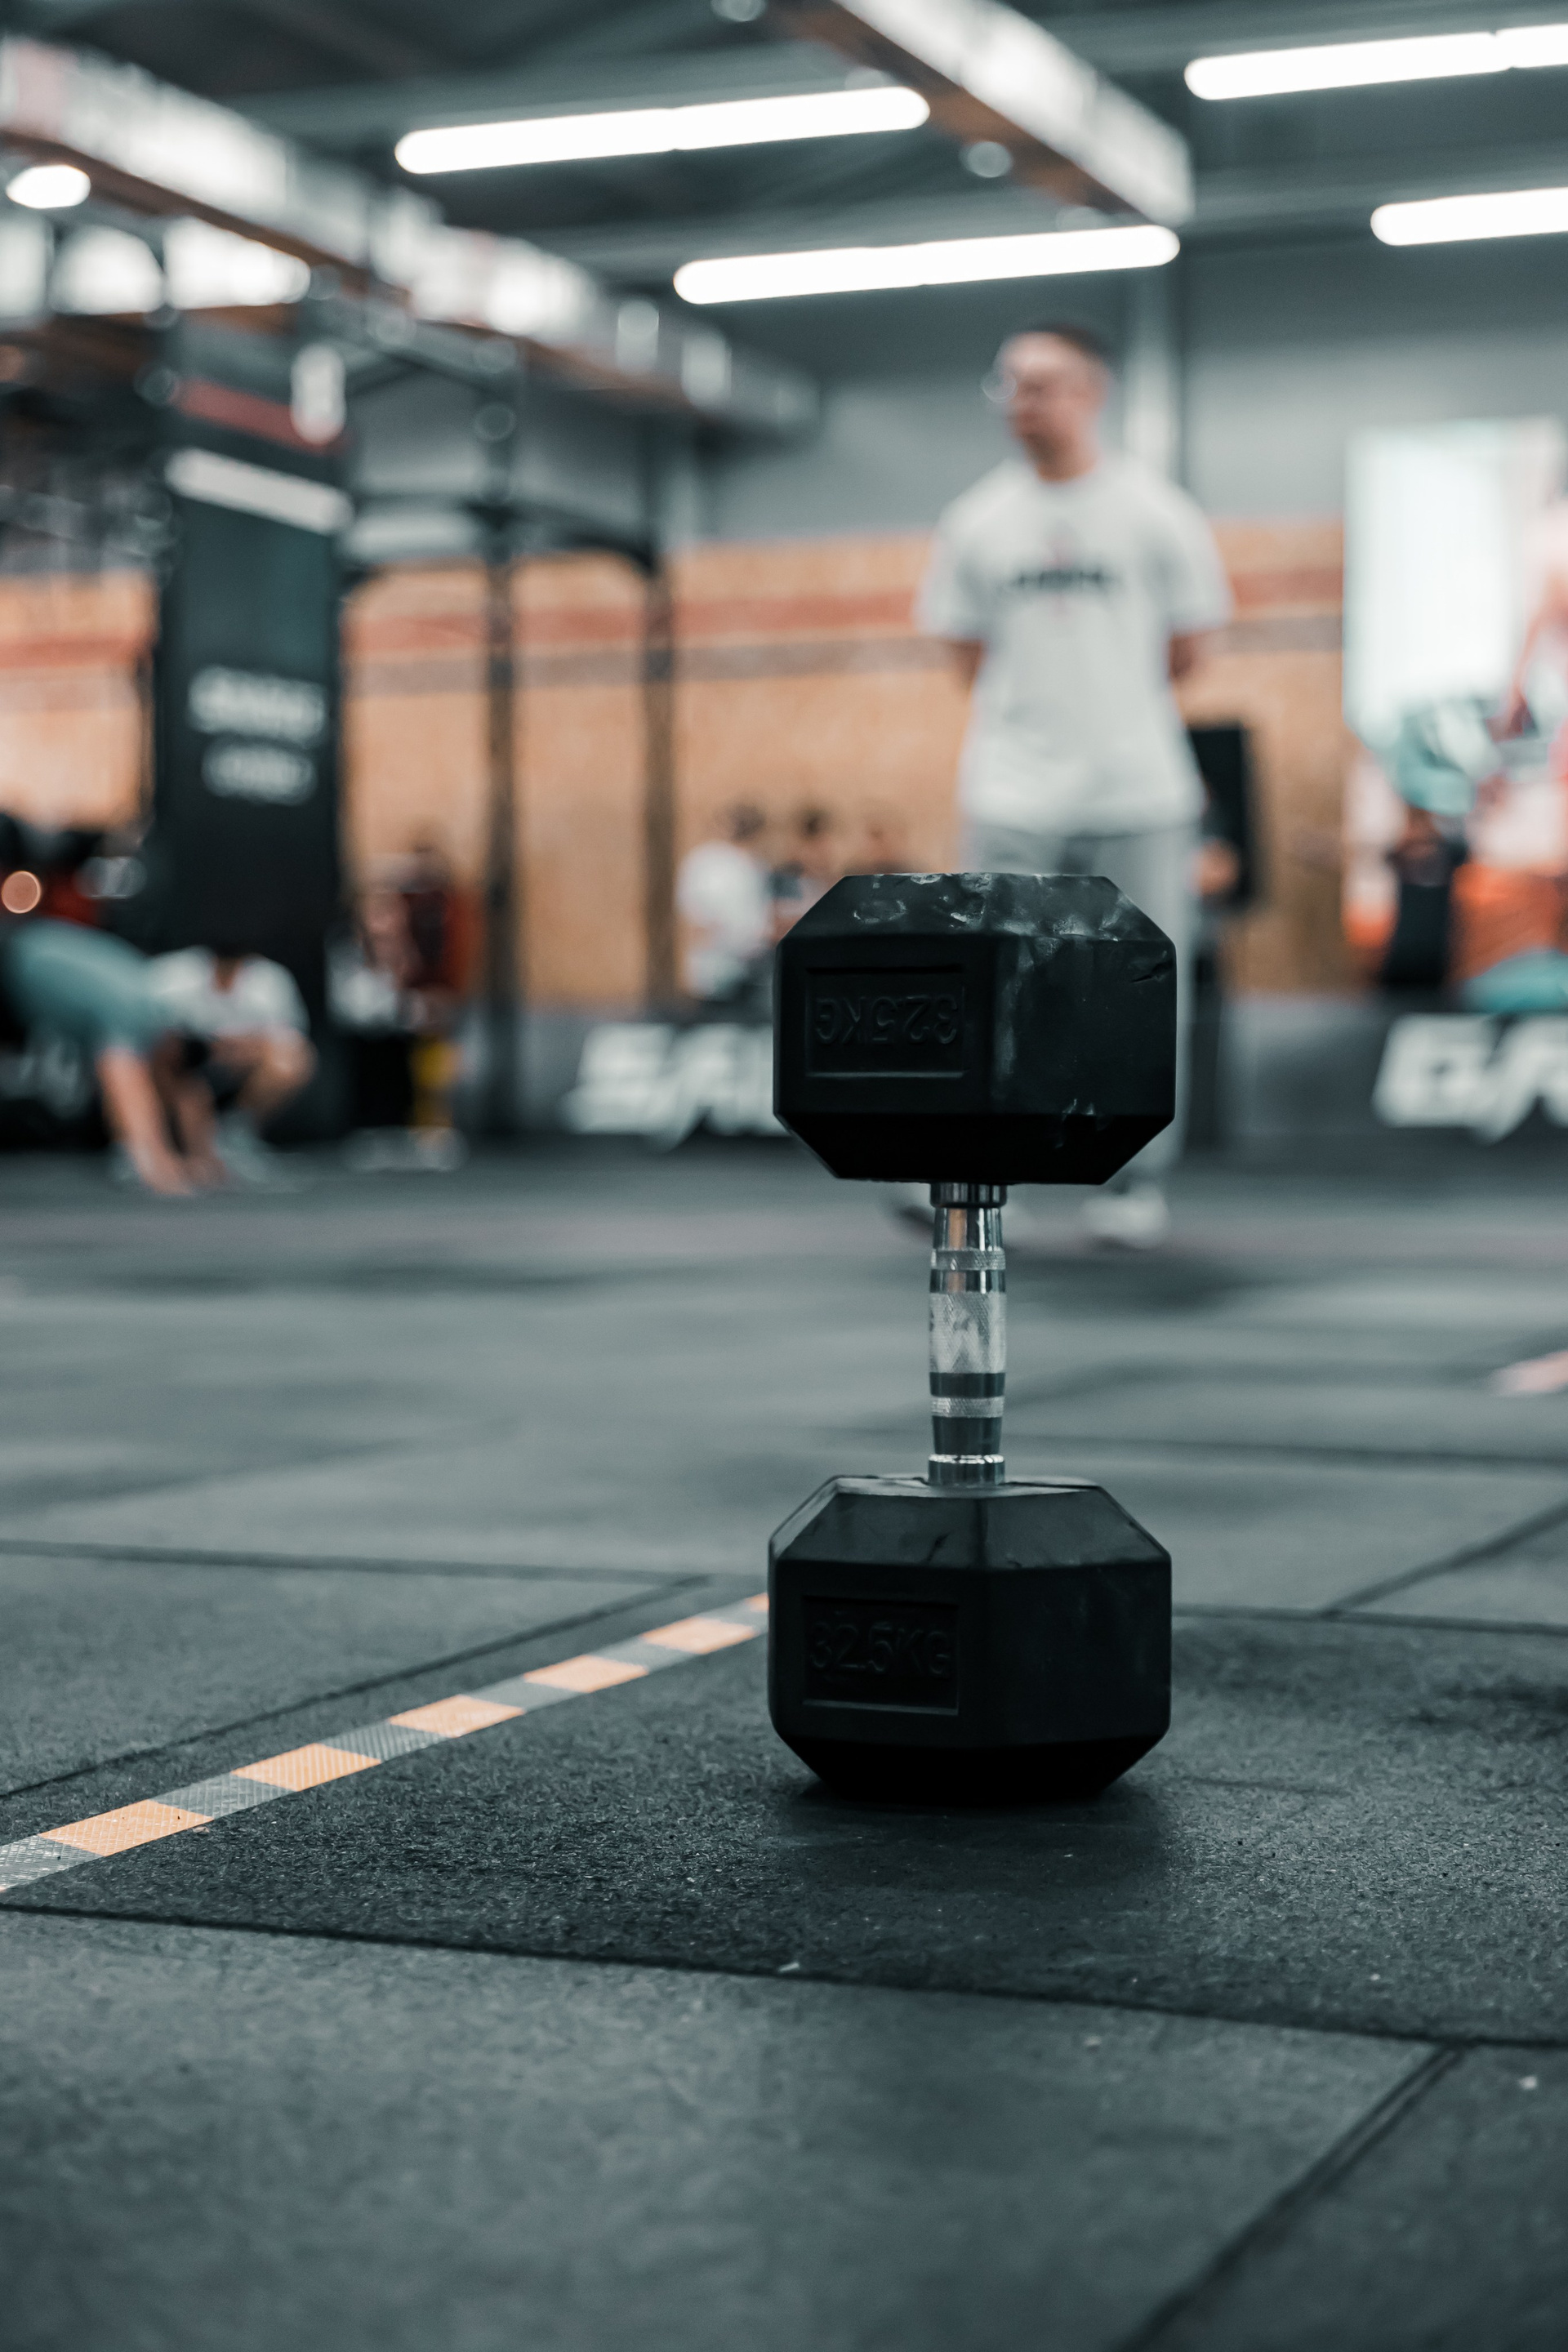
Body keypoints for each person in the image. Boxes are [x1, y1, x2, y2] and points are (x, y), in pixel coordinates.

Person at [918, 318, 1232, 1247]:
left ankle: (1133, 1187)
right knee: (998, 985)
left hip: (1141, 789)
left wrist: (1109, 715)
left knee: (1139, 990)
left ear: (1092, 393)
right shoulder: (976, 522)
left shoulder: (1157, 512)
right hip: (1012, 791)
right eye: (1010, 384)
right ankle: (987, 1172)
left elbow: (1190, 647)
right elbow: (964, 653)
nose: (1023, 402)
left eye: (1044, 384)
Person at [0, 915, 194, 1195]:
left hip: (24, 948)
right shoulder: (137, 1012)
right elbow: (123, 1080)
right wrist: (152, 1162)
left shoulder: (145, 989)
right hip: (10, 958)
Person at [145, 939, 314, 1187]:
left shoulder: (270, 979)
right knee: (167, 1064)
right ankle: (151, 1143)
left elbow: (291, 1039)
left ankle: (234, 1137)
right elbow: (143, 1031)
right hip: (183, 1068)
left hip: (239, 1072)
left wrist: (240, 1048)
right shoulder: (171, 974)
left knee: (292, 1060)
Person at [676, 803, 773, 1012]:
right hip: (717, 968)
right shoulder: (708, 861)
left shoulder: (753, 863)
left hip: (751, 966)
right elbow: (698, 914)